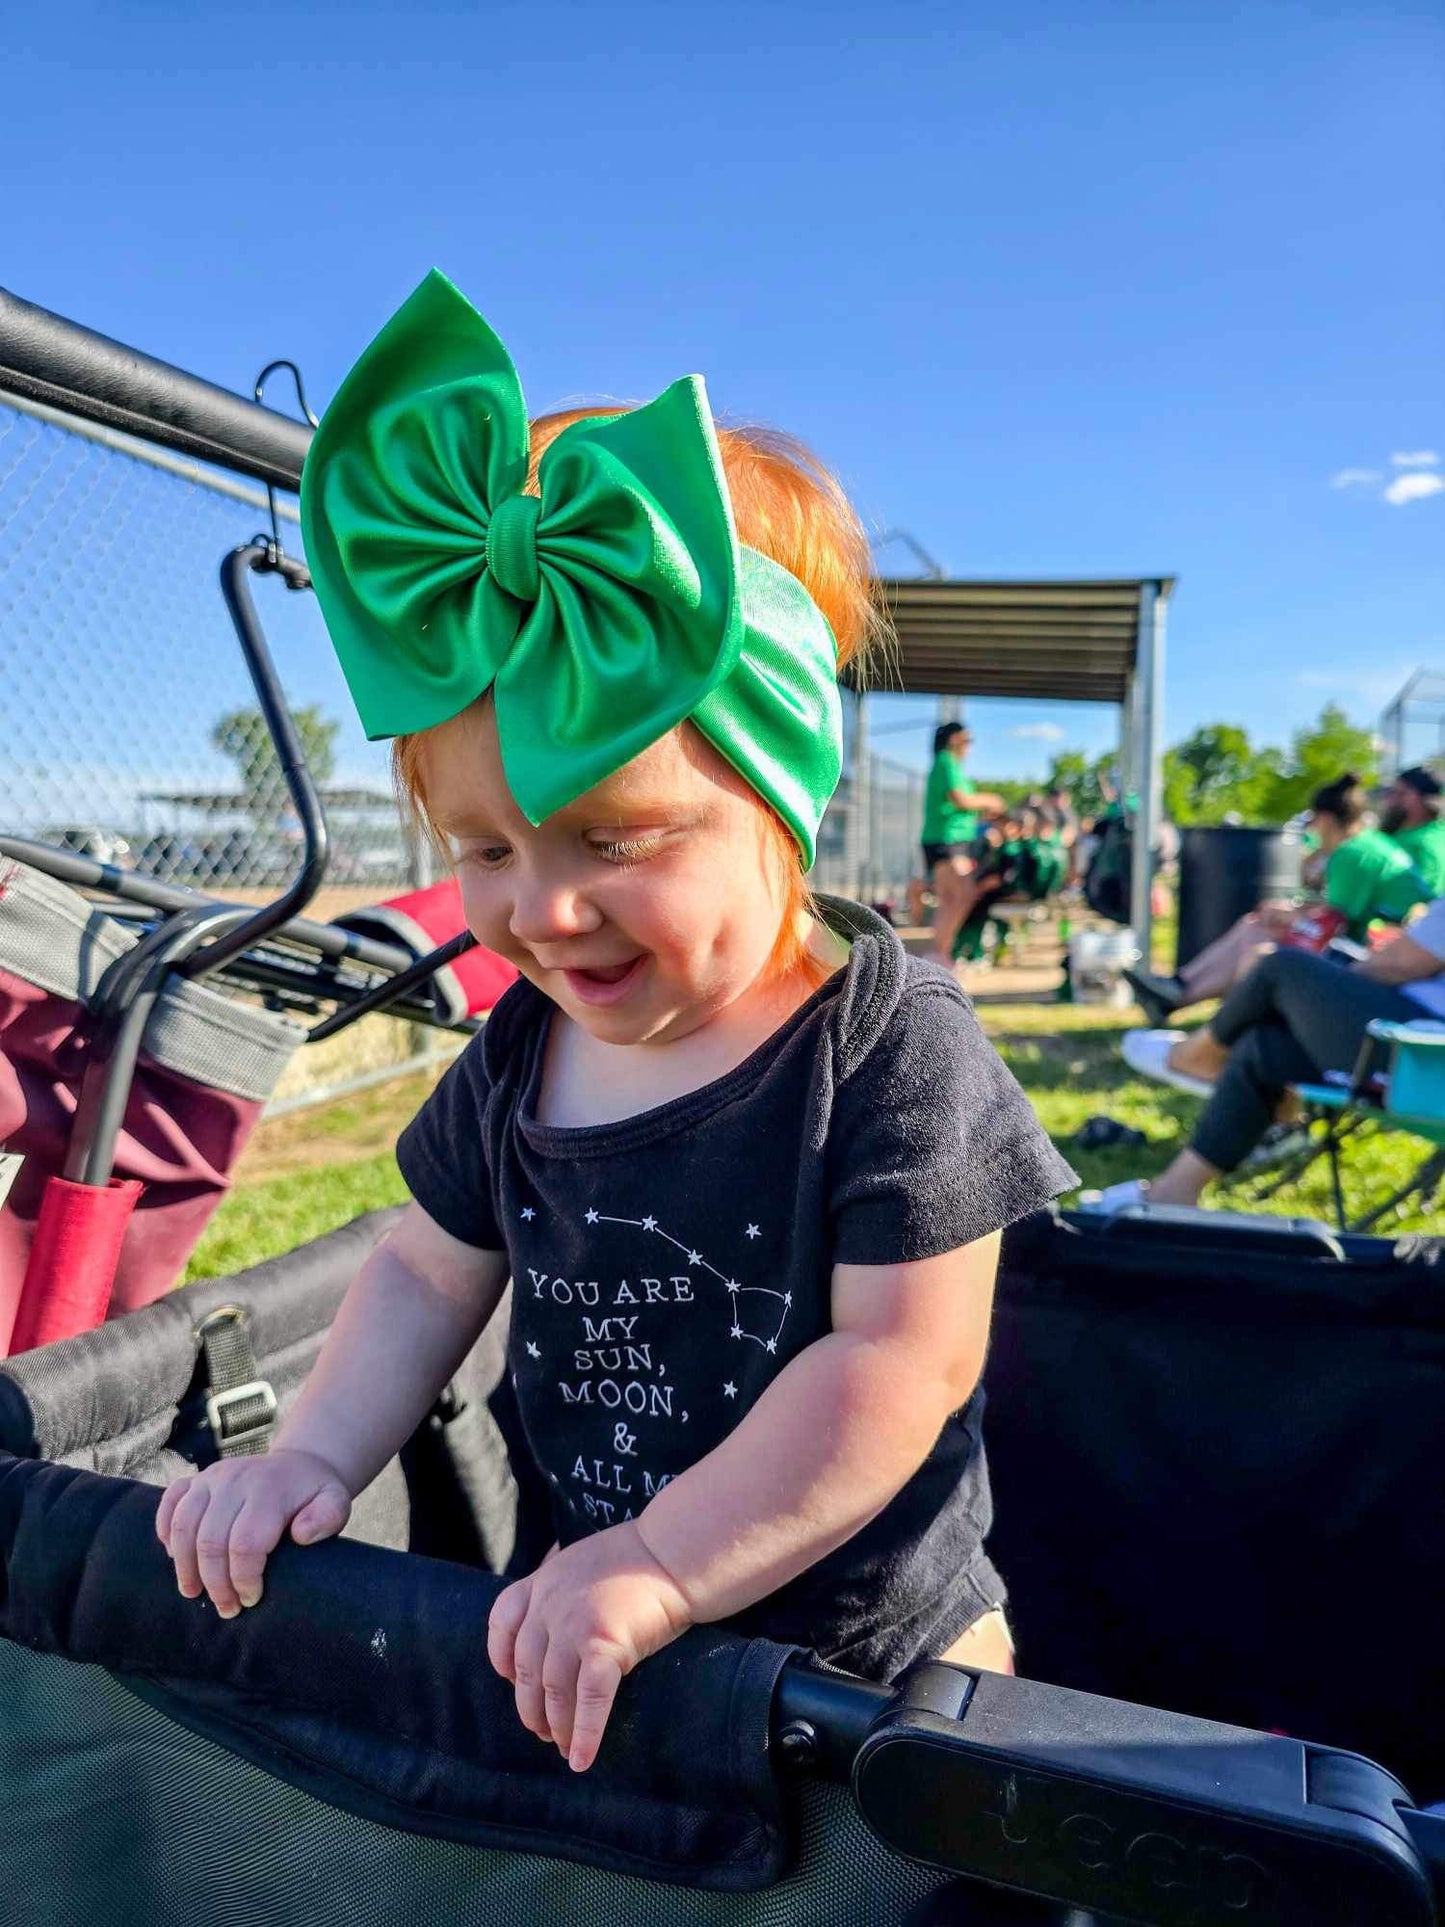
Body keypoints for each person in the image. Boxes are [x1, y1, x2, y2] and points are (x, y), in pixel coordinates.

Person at [154, 274, 1075, 1774]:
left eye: (613, 839)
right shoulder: (521, 1048)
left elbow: (895, 1366)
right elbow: (417, 1272)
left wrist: (660, 1555)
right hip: (601, 1639)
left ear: (779, 805)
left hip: (881, 1663)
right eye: (487, 849)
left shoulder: (889, 1050)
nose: (542, 911)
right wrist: (311, 1452)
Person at [1091, 899, 1445, 1211]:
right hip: (1420, 1055)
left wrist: (1328, 989)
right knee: (1266, 1047)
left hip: (1423, 1059)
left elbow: (1398, 964)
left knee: (1282, 968)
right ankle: (1174, 1191)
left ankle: (1195, 1054)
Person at [1126, 772, 1428, 1022]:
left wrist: (1290, 914)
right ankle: (1176, 988)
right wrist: (1292, 910)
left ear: (1322, 819)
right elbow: (1341, 911)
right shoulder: (1368, 844)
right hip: (1392, 945)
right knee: (1256, 924)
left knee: (1258, 941)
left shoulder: (1353, 854)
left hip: (1385, 953)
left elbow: (1336, 921)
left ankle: (1181, 998)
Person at [919, 722, 1005, 963]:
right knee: (963, 893)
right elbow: (960, 799)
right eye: (967, 740)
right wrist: (991, 800)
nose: (969, 746)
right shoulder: (946, 761)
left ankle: (940, 953)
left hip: (947, 840)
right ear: (954, 739)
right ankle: (939, 953)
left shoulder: (948, 765)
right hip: (947, 841)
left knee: (950, 898)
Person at [1382, 766, 1445, 897]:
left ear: (1426, 800)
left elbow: (1426, 898)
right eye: (1391, 793)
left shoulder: (1428, 842)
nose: (1391, 801)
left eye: (1401, 794)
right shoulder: (1400, 832)